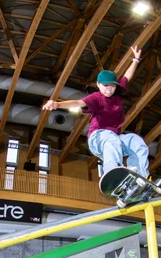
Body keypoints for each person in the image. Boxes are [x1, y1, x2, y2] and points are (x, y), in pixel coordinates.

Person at [43, 46, 150, 179]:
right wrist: (57, 104)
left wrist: (135, 59)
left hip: (115, 140)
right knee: (110, 138)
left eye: (112, 86)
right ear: (98, 84)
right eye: (105, 86)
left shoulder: (118, 92)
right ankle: (112, 173)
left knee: (136, 141)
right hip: (99, 139)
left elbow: (127, 76)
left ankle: (140, 178)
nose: (109, 90)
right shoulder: (96, 98)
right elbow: (78, 103)